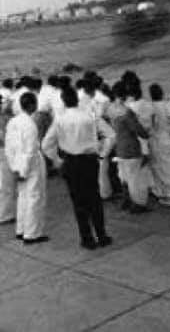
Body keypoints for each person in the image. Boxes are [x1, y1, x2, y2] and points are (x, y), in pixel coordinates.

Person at [42, 87, 115, 250]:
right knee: (94, 198)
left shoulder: (60, 119)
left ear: (64, 101)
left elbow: (46, 144)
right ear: (77, 99)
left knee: (78, 202)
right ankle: (102, 235)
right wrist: (103, 152)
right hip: (89, 160)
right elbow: (111, 135)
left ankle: (87, 239)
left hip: (70, 162)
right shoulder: (90, 115)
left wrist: (57, 160)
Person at [7, 93, 48, 244]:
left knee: (23, 197)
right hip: (31, 165)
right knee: (34, 198)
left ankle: (21, 229)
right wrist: (23, 170)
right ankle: (32, 234)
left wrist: (15, 167)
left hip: (17, 163)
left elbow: (9, 148)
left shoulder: (13, 121)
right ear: (32, 105)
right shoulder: (30, 125)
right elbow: (30, 151)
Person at [109, 82, 151, 213]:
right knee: (134, 178)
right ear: (125, 95)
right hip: (131, 148)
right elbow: (139, 130)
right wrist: (147, 133)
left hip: (119, 146)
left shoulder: (111, 109)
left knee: (123, 175)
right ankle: (137, 204)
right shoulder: (127, 112)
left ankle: (126, 200)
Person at [0, 103, 14, 226]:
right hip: (3, 152)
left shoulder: (5, 118)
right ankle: (4, 215)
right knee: (6, 186)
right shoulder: (4, 119)